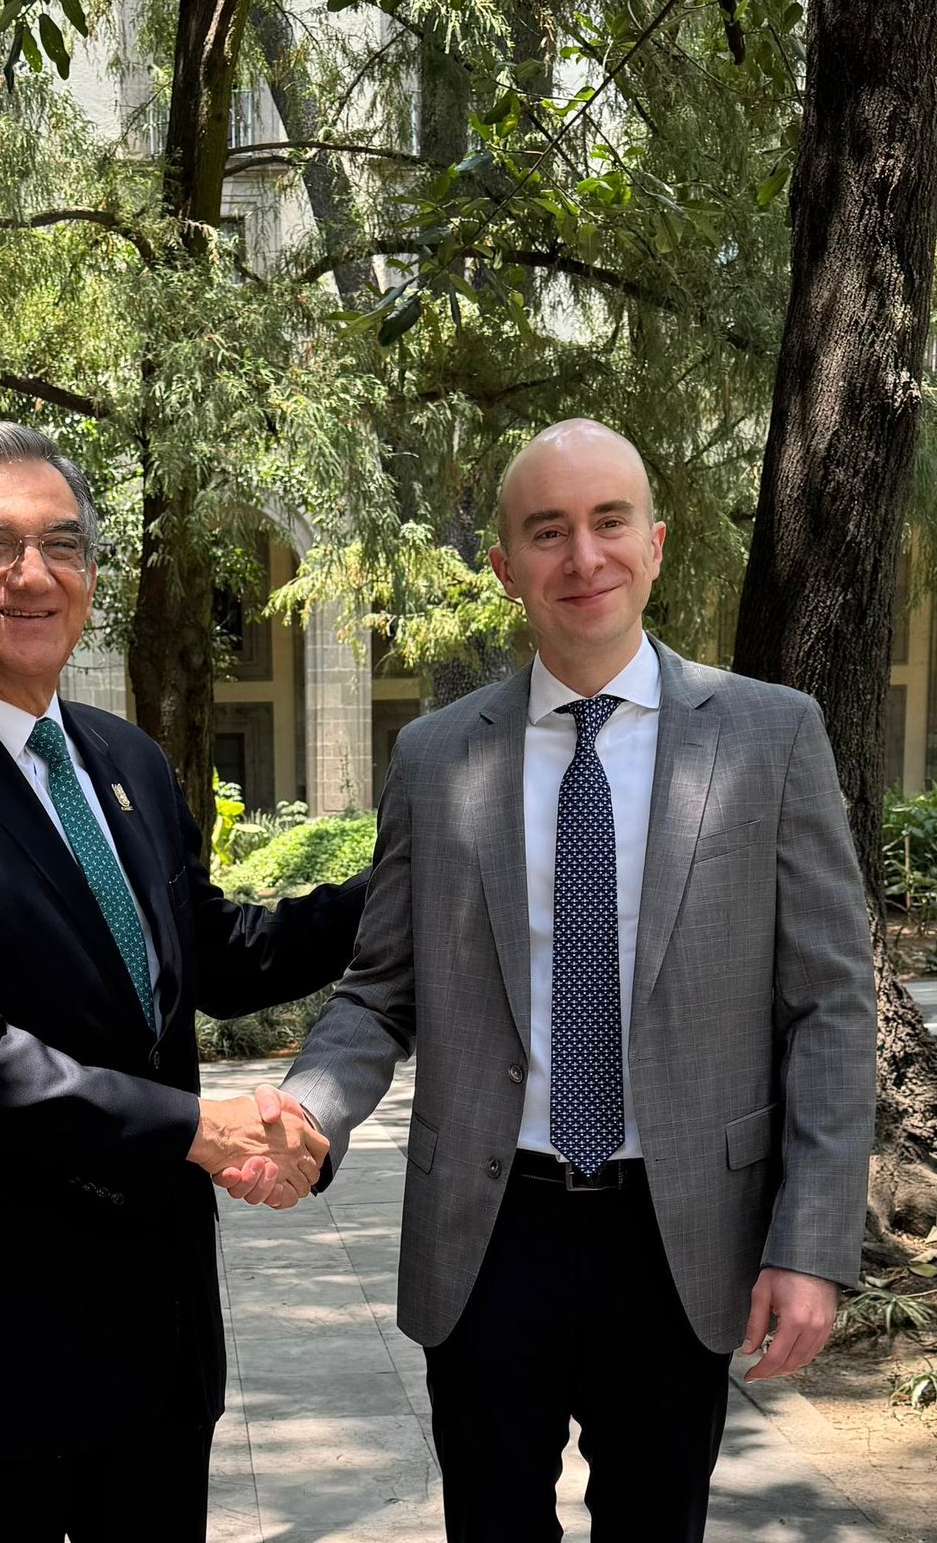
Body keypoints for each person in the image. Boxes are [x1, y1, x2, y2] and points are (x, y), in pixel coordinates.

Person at [223, 418, 877, 1542]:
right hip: (489, 1234)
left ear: (655, 545)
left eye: (609, 522)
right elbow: (380, 987)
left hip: (683, 1235)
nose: (584, 556)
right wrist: (310, 1114)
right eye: (548, 531)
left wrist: (809, 1245)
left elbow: (830, 1005)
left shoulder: (770, 737)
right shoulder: (435, 756)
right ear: (504, 566)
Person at [0, 420, 364, 1543]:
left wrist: (405, 887)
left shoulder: (123, 758)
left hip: (157, 1344)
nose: (33, 573)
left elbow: (214, 954)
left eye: (63, 544)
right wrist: (193, 1126)